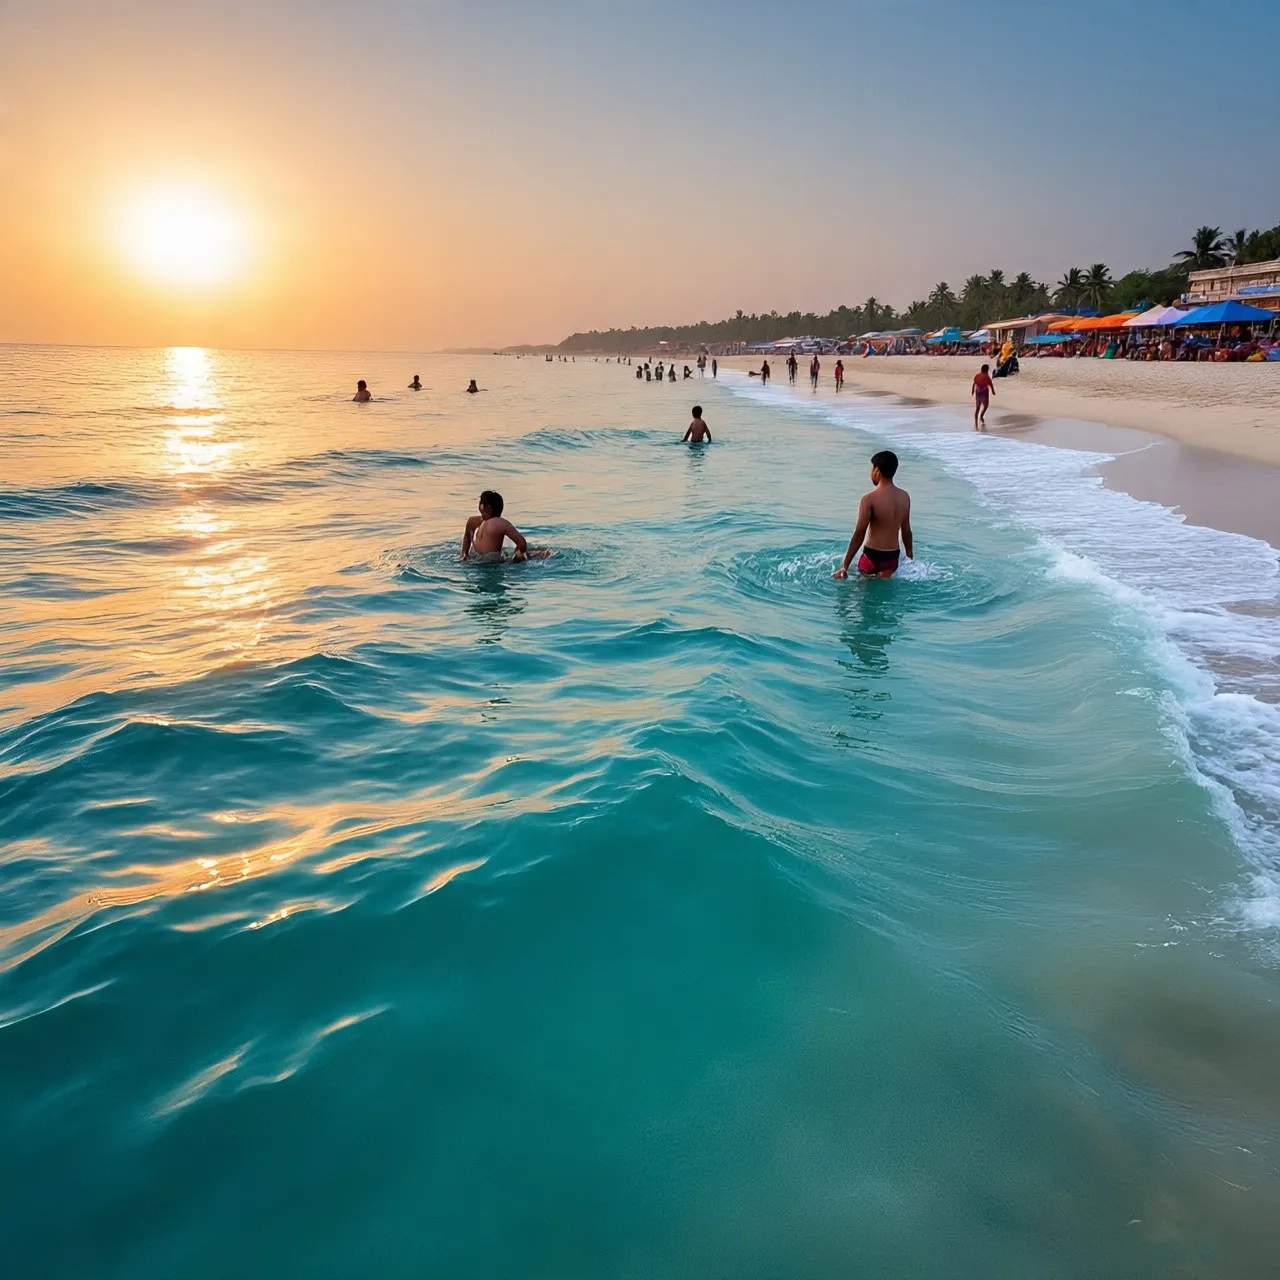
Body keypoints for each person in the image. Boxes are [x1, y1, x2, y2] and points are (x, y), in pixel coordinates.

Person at [833, 450, 913, 580]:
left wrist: (845, 566)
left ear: (877, 470)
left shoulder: (869, 499)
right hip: (892, 559)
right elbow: (906, 531)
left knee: (862, 591)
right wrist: (910, 558)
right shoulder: (904, 497)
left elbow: (859, 533)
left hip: (871, 557)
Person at [462, 490, 541, 563]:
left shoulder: (472, 521)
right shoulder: (501, 523)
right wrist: (516, 555)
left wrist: (464, 556)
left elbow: (467, 538)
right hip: (493, 562)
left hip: (475, 559)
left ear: (484, 507)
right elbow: (522, 544)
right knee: (538, 554)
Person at [971, 362, 994, 428]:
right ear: (986, 370)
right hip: (984, 391)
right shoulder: (987, 377)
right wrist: (993, 391)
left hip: (978, 390)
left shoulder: (977, 375)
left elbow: (974, 383)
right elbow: (990, 384)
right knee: (985, 405)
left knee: (978, 407)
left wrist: (972, 390)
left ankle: (976, 420)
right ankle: (981, 416)